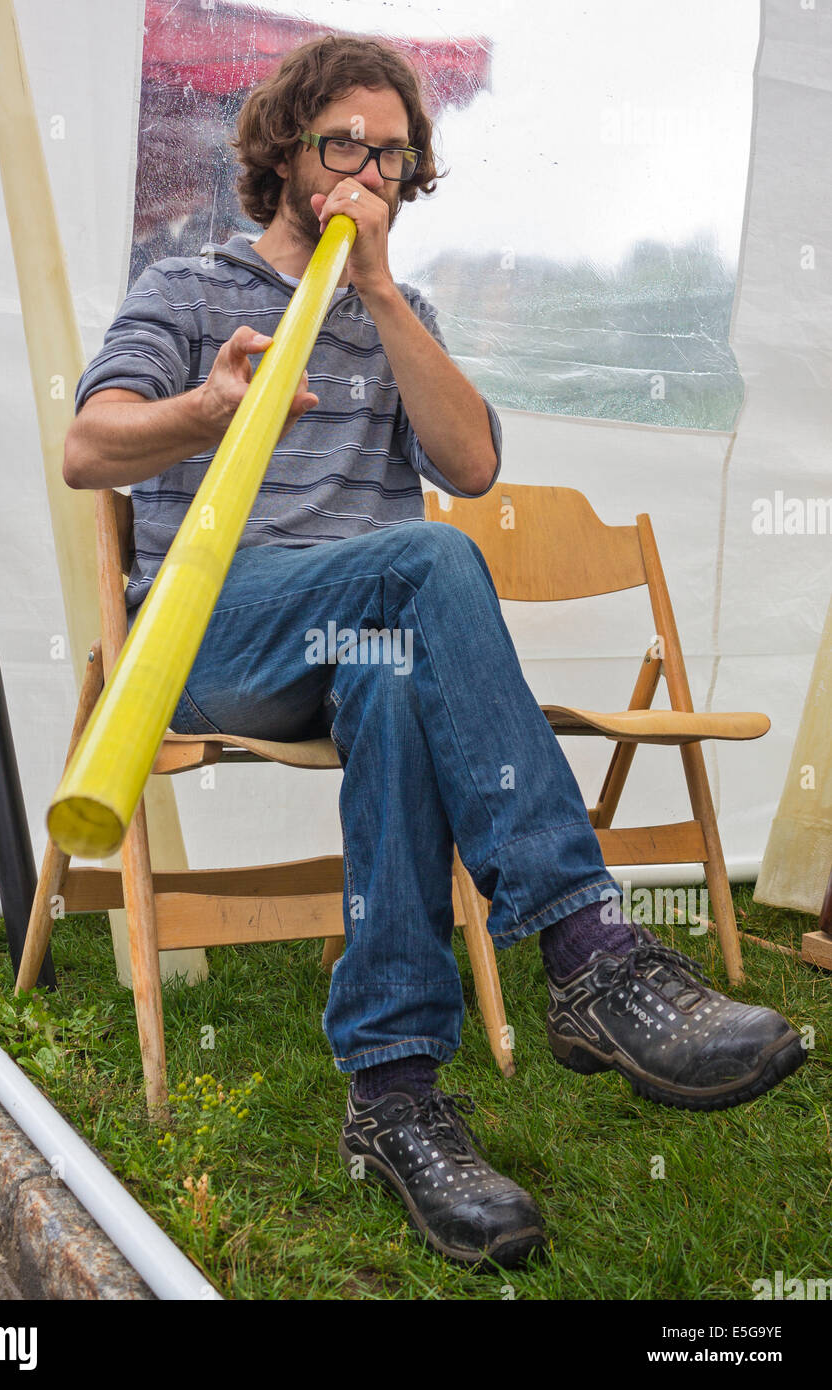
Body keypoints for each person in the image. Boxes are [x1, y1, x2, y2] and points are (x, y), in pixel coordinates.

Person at [65, 34, 805, 1270]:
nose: (369, 167)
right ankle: (587, 950)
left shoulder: (404, 315)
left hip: (365, 633)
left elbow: (469, 467)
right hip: (216, 628)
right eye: (344, 142)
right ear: (287, 154)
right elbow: (92, 450)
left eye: (394, 153)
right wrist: (210, 407)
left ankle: (396, 1098)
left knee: (401, 673)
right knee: (434, 562)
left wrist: (386, 296)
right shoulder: (189, 290)